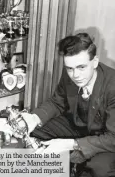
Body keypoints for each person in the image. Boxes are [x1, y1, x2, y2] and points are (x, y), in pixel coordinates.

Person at [22, 33, 115, 177]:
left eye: (81, 67)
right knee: (35, 131)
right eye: (69, 68)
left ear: (95, 62)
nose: (75, 75)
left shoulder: (112, 86)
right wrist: (34, 118)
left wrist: (71, 144)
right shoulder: (70, 73)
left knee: (99, 169)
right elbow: (57, 102)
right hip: (79, 127)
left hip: (106, 139)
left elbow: (112, 138)